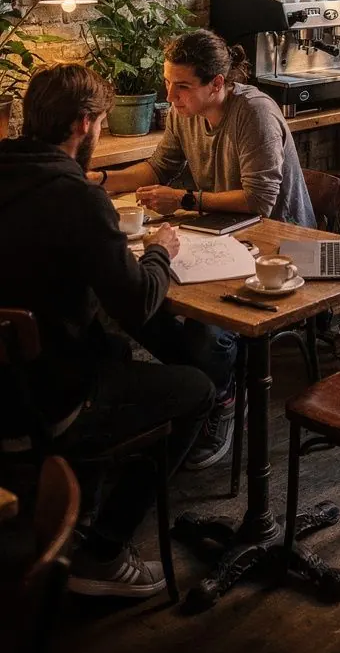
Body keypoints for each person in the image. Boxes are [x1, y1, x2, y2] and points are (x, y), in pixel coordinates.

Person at [0, 64, 215, 599]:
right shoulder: (75, 198)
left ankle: (77, 507)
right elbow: (140, 301)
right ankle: (105, 551)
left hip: (4, 387)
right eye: (97, 122)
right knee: (196, 387)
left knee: (118, 352)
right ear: (83, 125)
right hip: (47, 403)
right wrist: (164, 251)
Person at [95, 30, 316, 466]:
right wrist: (98, 181)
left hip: (278, 243)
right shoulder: (184, 111)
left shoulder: (253, 112)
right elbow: (160, 165)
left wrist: (184, 200)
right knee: (138, 302)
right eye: (168, 83)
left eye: (182, 86)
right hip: (220, 234)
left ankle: (222, 401)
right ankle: (213, 388)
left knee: (207, 327)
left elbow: (259, 199)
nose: (171, 96)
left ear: (217, 83)